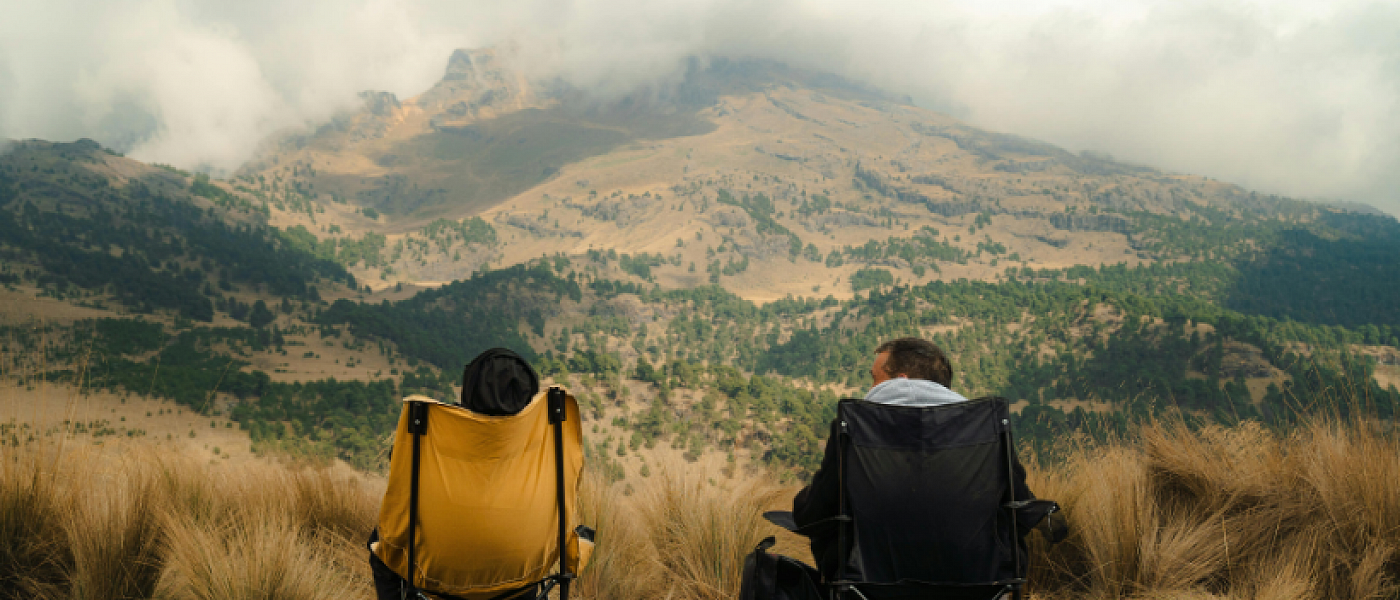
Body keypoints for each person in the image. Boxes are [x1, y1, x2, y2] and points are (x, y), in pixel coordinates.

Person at [790, 337, 1036, 581]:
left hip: (869, 586)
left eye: (875, 378)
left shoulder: (854, 428)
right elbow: (1022, 509)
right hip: (978, 585)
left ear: (900, 380)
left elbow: (814, 514)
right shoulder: (986, 428)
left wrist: (802, 504)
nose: (871, 387)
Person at [368, 348, 541, 600]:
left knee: (380, 546)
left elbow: (399, 479)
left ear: (469, 389)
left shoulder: (437, 433)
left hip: (438, 581)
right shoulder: (542, 442)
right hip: (518, 582)